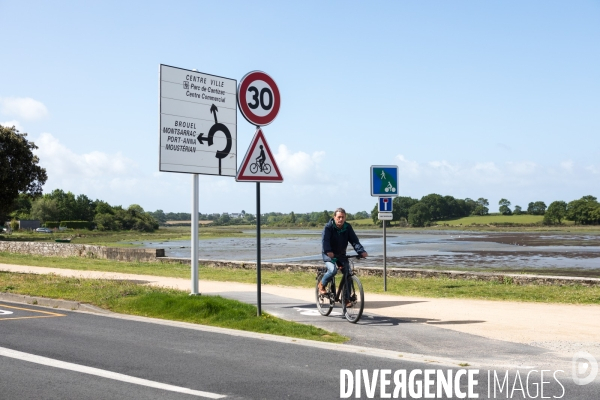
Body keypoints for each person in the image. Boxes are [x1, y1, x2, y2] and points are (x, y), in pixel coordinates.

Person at [319, 208, 368, 299]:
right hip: (329, 255)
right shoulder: (328, 228)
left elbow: (354, 241)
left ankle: (346, 299)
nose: (341, 219)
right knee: (333, 270)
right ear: (334, 217)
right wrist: (328, 251)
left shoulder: (347, 227)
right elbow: (325, 241)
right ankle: (322, 284)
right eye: (339, 217)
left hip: (341, 255)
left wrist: (361, 251)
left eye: (343, 217)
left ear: (345, 218)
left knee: (347, 273)